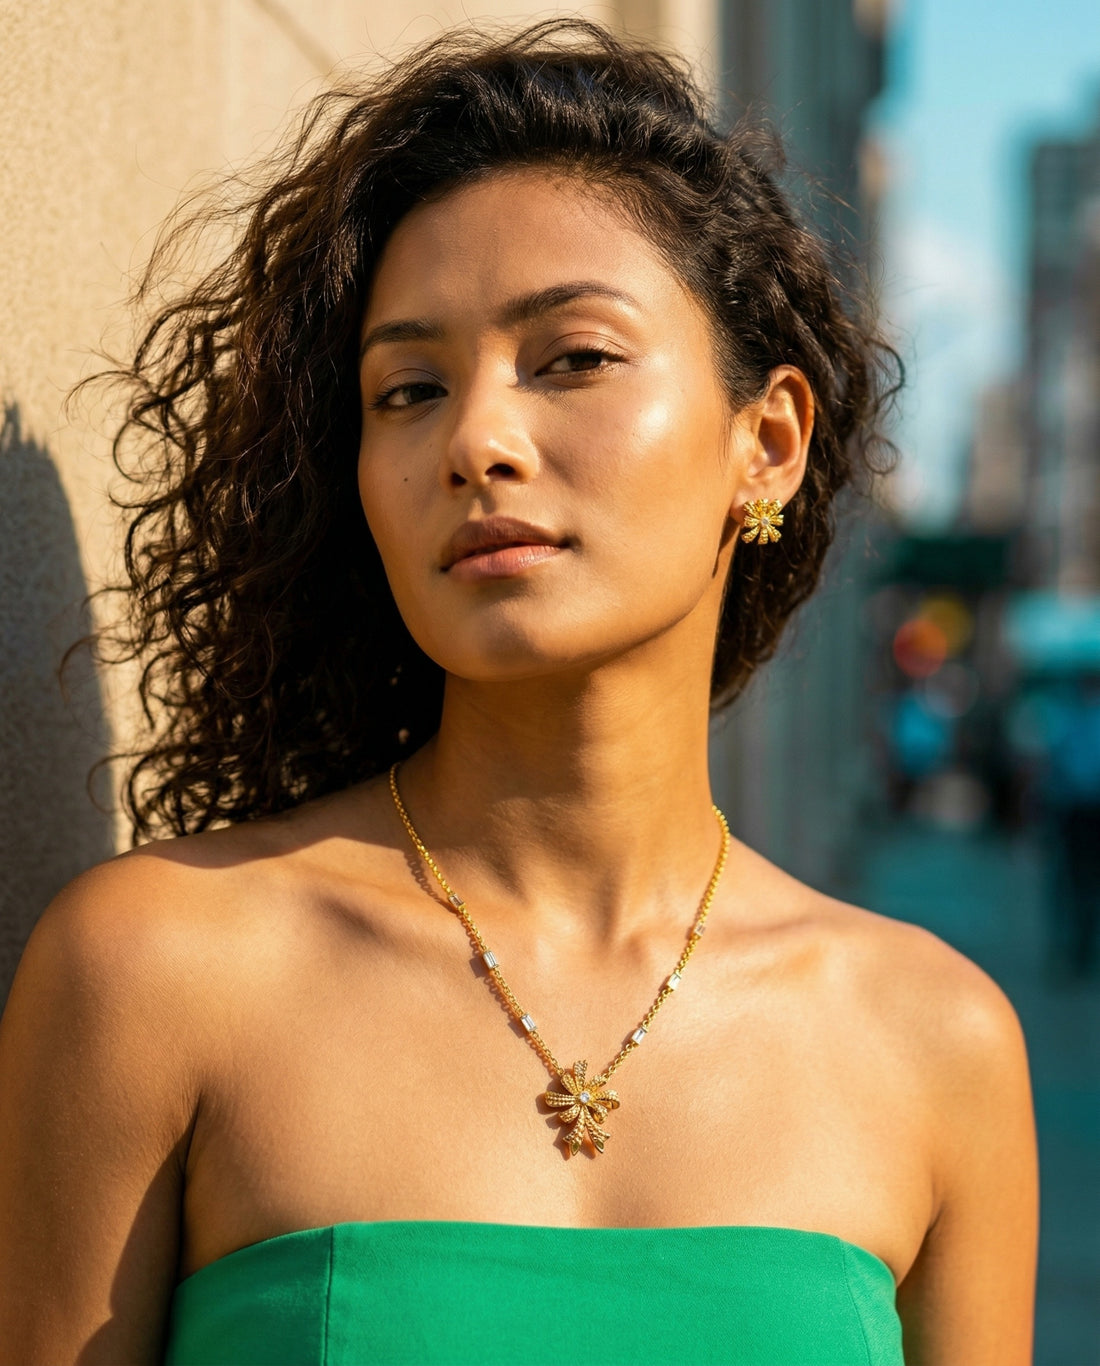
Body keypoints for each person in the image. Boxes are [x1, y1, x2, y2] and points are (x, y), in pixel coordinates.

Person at [0, 18, 1038, 1365]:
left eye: (573, 358)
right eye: (408, 388)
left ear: (767, 444)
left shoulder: (933, 1040)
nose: (478, 440)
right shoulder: (156, 969)